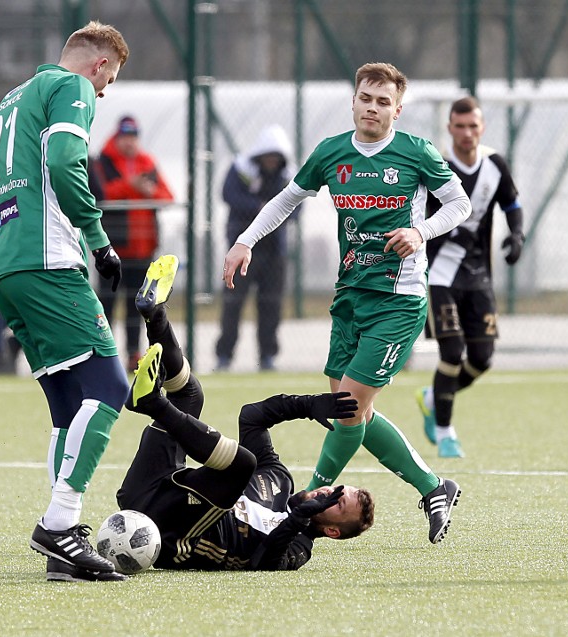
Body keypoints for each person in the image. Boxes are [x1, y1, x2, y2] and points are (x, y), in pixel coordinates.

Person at [223, 62, 472, 543]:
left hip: (397, 300)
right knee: (355, 411)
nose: (372, 107)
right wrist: (244, 241)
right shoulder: (332, 153)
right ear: (354, 101)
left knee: (346, 411)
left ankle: (301, 504)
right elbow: (286, 199)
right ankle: (433, 486)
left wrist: (421, 230)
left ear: (397, 110)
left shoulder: (415, 152)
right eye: (366, 98)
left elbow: (459, 203)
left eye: (383, 101)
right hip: (350, 297)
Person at [75, 255, 372, 577]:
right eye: (337, 490)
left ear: (333, 531)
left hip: (167, 535)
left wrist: (298, 519)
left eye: (338, 504)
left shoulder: (299, 546)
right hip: (148, 490)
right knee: (190, 394)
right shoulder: (278, 480)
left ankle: (151, 401)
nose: (329, 494)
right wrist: (307, 405)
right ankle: (155, 316)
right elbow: (253, 417)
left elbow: (268, 562)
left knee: (242, 463)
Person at [0, 21, 133, 582]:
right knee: (112, 386)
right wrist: (98, 239)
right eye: (109, 79)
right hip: (48, 261)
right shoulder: (73, 87)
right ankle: (59, 524)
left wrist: (6, 251)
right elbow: (66, 161)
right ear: (99, 65)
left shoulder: (7, 103)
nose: (104, 93)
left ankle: (64, 540)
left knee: (69, 404)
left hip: (6, 267)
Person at [415, 96, 525, 458]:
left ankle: (433, 396)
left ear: (482, 128)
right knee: (452, 351)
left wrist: (516, 234)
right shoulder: (438, 166)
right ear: (449, 129)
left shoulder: (495, 165)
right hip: (440, 274)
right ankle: (446, 433)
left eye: (472, 126)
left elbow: (511, 203)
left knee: (482, 358)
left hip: (478, 276)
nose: (466, 133)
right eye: (459, 126)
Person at [88, 115, 174, 371]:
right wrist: (129, 186)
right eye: (125, 137)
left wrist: (149, 192)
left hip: (142, 248)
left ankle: (133, 353)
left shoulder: (147, 162)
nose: (129, 142)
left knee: (138, 305)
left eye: (133, 137)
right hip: (112, 248)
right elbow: (99, 194)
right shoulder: (102, 162)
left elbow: (167, 196)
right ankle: (104, 352)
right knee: (106, 302)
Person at [215, 125, 301, 372]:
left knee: (271, 305)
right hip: (241, 248)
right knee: (233, 303)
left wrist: (268, 211)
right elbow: (229, 195)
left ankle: (267, 356)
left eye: (276, 157)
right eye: (268, 156)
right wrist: (263, 209)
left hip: (275, 251)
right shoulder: (241, 170)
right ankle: (224, 355)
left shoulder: (289, 177)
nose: (272, 161)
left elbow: (296, 207)